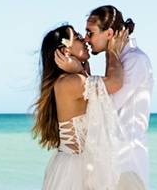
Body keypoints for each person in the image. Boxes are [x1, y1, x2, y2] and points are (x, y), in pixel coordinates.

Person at [33, 24, 129, 190]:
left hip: (76, 166)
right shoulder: (71, 82)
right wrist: (112, 50)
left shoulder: (71, 80)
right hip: (76, 171)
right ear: (65, 52)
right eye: (77, 37)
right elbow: (115, 83)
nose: (84, 39)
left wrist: (80, 69)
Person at [84, 6, 154, 190]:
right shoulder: (120, 60)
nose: (86, 39)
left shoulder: (134, 60)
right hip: (112, 163)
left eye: (90, 33)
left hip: (126, 164)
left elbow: (109, 105)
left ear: (109, 33)